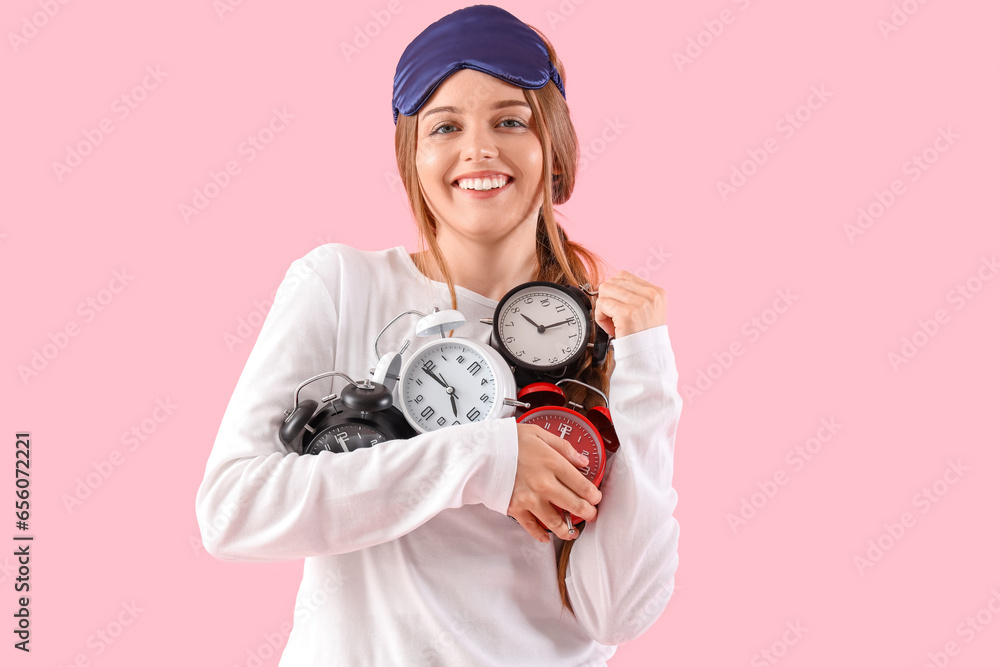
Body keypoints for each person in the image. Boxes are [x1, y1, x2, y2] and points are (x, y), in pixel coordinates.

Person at [195, 5, 682, 665]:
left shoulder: (605, 337)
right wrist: (484, 459)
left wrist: (648, 370)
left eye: (511, 120)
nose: (479, 149)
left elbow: (618, 610)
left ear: (554, 147)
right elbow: (233, 508)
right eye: (445, 125)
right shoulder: (342, 286)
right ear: (412, 155)